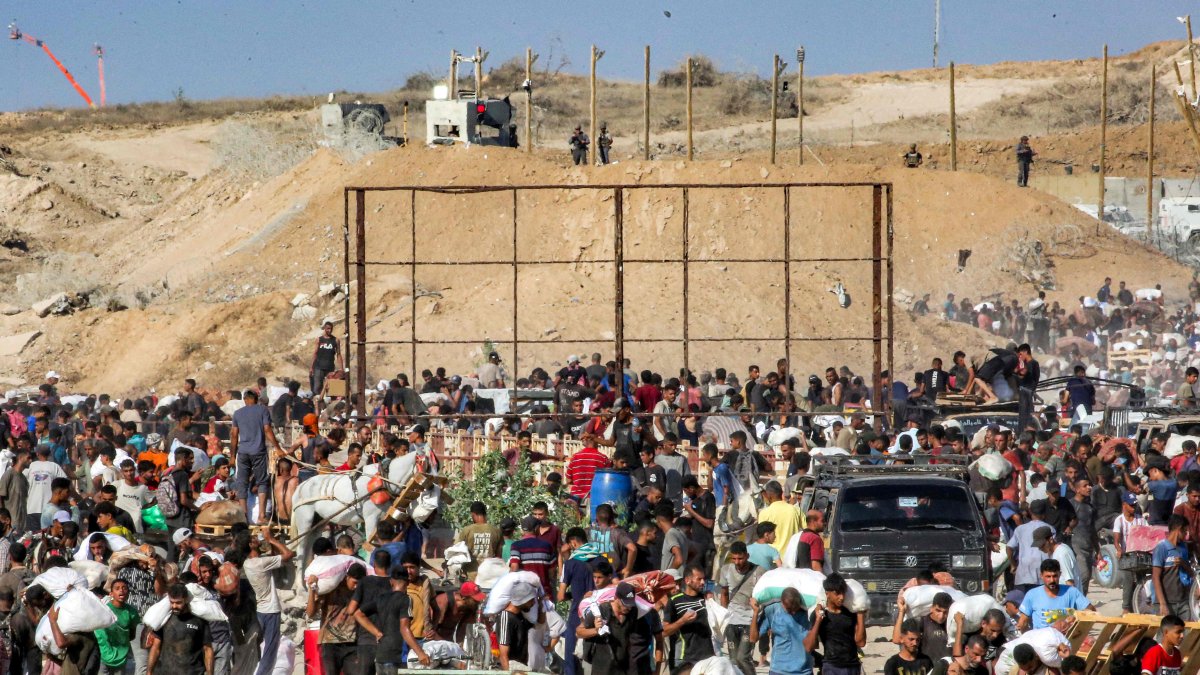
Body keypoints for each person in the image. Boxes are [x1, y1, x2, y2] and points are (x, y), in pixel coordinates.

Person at [576, 581, 664, 675]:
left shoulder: (633, 612)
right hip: (602, 669)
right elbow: (579, 632)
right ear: (616, 598)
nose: (628, 608)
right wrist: (596, 630)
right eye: (625, 604)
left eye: (630, 604)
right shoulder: (601, 611)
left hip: (623, 669)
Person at [229, 390, 279, 524]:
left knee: (242, 483)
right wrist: (278, 448)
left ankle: (243, 516)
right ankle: (261, 516)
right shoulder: (263, 410)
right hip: (258, 452)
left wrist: (232, 456)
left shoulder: (238, 413)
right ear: (256, 399)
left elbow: (234, 435)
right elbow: (267, 430)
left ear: (245, 399)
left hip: (242, 452)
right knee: (262, 482)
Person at [718, 542, 765, 675]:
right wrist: (723, 616)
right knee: (733, 660)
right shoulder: (726, 570)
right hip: (731, 621)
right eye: (734, 558)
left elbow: (765, 596)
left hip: (750, 621)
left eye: (740, 558)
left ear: (747, 556)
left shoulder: (759, 571)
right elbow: (724, 594)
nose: (737, 562)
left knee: (743, 658)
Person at [149, 584, 213, 675]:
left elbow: (207, 649)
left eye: (178, 603)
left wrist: (210, 673)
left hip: (194, 672)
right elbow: (156, 647)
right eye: (172, 602)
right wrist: (149, 672)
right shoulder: (164, 618)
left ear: (186, 599)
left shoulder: (199, 619)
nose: (174, 606)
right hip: (166, 672)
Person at [809, 573, 866, 675]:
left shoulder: (851, 613)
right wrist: (818, 620)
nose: (841, 597)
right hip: (831, 667)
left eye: (843, 592)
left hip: (853, 666)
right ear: (827, 594)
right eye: (837, 593)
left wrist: (860, 614)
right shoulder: (820, 615)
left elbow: (861, 642)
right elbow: (812, 645)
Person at [750, 588, 814, 675]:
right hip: (778, 671)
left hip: (804, 671)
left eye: (796, 608)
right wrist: (755, 613)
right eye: (789, 609)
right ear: (782, 603)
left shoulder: (809, 613)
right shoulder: (772, 610)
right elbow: (753, 638)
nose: (794, 612)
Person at [1017, 559, 1094, 630]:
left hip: (1065, 639)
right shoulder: (1032, 594)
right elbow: (1023, 621)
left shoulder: (1071, 592)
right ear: (1041, 576)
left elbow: (1091, 610)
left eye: (1055, 576)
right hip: (1041, 641)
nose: (1052, 580)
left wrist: (1075, 616)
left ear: (1060, 574)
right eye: (1048, 577)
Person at [662, 565, 713, 667]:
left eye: (703, 579)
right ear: (688, 581)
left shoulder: (706, 599)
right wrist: (682, 621)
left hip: (709, 656)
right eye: (699, 579)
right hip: (685, 658)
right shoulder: (674, 601)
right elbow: (664, 632)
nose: (703, 582)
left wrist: (712, 601)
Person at [1151, 514, 1194, 619]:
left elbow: (1190, 572)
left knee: (1187, 633)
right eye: (1185, 531)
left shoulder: (1183, 547)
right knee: (1167, 634)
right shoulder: (1162, 548)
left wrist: (1183, 563)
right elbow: (1155, 577)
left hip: (1183, 602)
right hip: (1166, 602)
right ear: (1178, 530)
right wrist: (1162, 603)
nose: (1186, 535)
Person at [96, 578, 140, 675]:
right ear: (111, 594)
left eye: (124, 588)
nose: (121, 590)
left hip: (121, 655)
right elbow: (99, 634)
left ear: (128, 593)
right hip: (103, 653)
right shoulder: (104, 610)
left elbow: (134, 633)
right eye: (117, 588)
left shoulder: (131, 612)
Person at [455, 501, 502, 580]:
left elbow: (457, 552)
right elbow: (499, 556)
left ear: (473, 514)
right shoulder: (496, 531)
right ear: (485, 514)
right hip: (489, 575)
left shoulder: (467, 530)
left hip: (470, 576)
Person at [757, 481, 803, 557]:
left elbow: (762, 538)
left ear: (769, 496)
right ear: (781, 493)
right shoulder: (795, 510)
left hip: (772, 559)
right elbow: (807, 528)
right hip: (792, 557)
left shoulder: (764, 513)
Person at [311, 321, 344, 401]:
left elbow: (338, 354)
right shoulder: (319, 339)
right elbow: (315, 353)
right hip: (319, 367)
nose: (329, 330)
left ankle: (331, 405)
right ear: (325, 329)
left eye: (331, 329)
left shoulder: (335, 340)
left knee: (332, 388)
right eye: (328, 329)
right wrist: (311, 367)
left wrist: (341, 368)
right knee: (317, 388)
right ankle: (317, 405)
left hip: (330, 368)